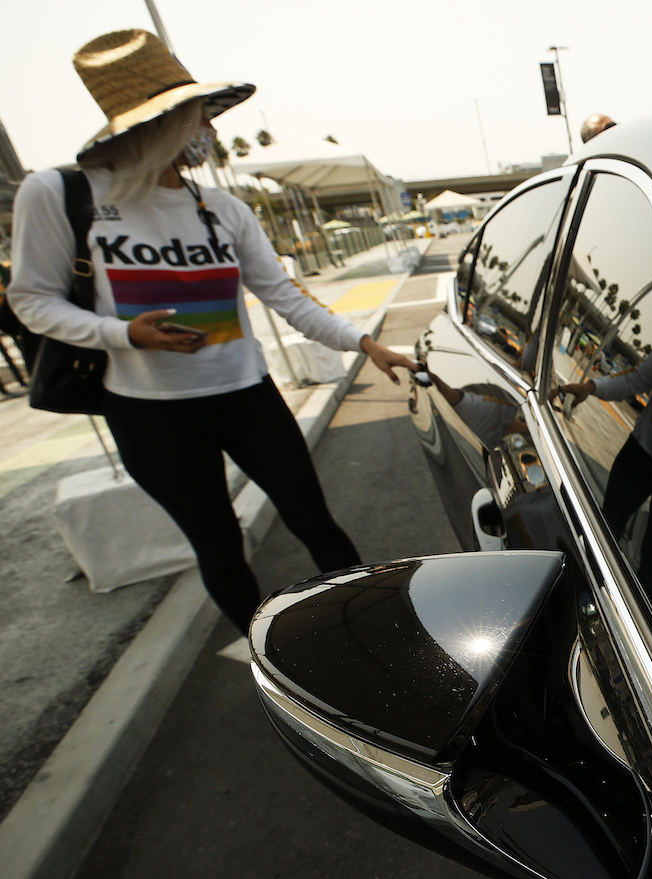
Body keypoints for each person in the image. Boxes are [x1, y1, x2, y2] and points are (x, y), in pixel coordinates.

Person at [7, 30, 416, 635]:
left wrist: (364, 343)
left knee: (314, 521)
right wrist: (124, 334)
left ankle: (380, 634)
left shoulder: (225, 209)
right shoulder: (60, 194)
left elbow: (284, 295)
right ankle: (269, 660)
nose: (212, 129)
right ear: (160, 124)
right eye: (199, 116)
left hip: (247, 397)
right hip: (149, 413)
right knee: (219, 544)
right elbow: (31, 300)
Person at [553, 340, 652, 597]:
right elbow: (633, 380)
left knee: (649, 567)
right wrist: (590, 387)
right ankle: (576, 595)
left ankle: (624, 617)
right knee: (604, 535)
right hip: (640, 460)